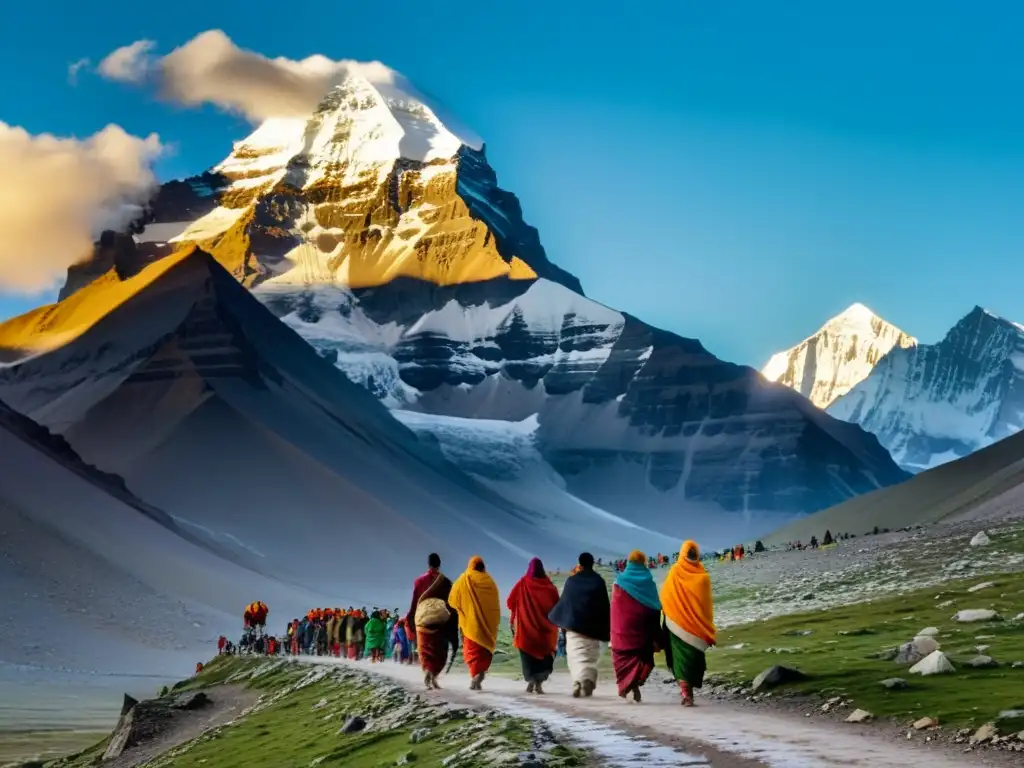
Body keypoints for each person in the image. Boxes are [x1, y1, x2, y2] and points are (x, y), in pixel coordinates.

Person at [660, 540, 716, 706]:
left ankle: (686, 693)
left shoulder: (675, 571)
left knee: (679, 659)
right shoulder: (703, 577)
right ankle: (688, 691)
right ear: (697, 555)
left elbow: (665, 596)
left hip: (675, 624)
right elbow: (706, 606)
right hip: (697, 629)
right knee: (692, 659)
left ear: (682, 553)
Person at [548, 552, 610, 698]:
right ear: (593, 563)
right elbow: (603, 606)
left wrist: (562, 621)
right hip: (593, 629)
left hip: (574, 627)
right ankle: (587, 679)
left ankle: (577, 681)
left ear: (579, 564)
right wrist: (606, 627)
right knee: (590, 657)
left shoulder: (572, 581)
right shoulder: (598, 581)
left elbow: (566, 603)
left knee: (575, 656)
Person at [611, 550, 662, 703]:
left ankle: (629, 685)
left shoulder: (619, 582)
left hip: (623, 631)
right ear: (643, 562)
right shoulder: (649, 582)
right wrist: (657, 634)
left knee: (623, 659)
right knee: (646, 659)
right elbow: (655, 607)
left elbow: (615, 609)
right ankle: (636, 682)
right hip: (643, 630)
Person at [506, 557, 560, 694]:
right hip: (545, 633)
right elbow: (557, 606)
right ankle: (539, 683)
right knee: (545, 659)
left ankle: (531, 680)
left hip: (526, 631)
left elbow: (509, 601)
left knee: (528, 658)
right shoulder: (550, 588)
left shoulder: (522, 583)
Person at [448, 556, 501, 691]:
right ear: (483, 567)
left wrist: (464, 607)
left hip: (470, 626)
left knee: (472, 652)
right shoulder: (490, 582)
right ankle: (480, 674)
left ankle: (475, 675)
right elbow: (494, 605)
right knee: (484, 651)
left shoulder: (463, 580)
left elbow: (452, 600)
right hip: (488, 627)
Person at [409, 553, 458, 690]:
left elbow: (415, 601)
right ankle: (434, 677)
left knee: (425, 648)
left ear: (428, 564)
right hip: (439, 620)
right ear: (439, 564)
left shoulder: (419, 581)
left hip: (422, 619)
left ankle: (428, 671)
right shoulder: (446, 582)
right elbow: (451, 603)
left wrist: (412, 618)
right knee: (440, 650)